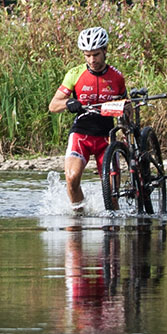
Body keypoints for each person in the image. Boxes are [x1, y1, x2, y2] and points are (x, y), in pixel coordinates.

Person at [47, 25, 127, 209]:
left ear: (105, 50)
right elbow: (53, 105)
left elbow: (125, 106)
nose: (92, 59)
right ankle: (78, 216)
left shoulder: (116, 77)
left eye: (96, 54)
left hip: (106, 137)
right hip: (81, 135)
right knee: (72, 178)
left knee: (112, 193)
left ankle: (112, 229)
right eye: (87, 55)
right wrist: (68, 103)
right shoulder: (74, 74)